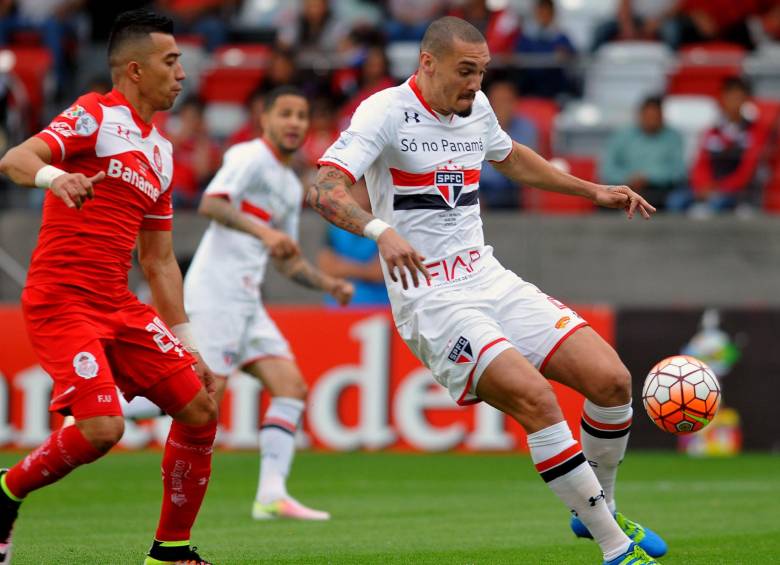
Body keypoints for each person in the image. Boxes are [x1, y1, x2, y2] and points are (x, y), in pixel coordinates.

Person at [312, 16, 665, 565]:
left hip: (488, 277)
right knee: (538, 402)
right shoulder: (384, 112)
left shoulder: (474, 108)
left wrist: (592, 190)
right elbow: (325, 188)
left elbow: (510, 156)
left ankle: (598, 508)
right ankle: (615, 549)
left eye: (481, 71)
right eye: (464, 71)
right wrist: (381, 232)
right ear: (427, 63)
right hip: (432, 298)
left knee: (612, 381)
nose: (475, 84)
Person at [0, 10, 218, 565]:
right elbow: (15, 158)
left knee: (199, 407)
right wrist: (58, 176)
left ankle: (170, 552)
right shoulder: (96, 114)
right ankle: (4, 490)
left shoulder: (162, 154)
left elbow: (160, 259)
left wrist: (188, 342)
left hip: (116, 303)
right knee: (101, 430)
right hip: (62, 298)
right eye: (171, 61)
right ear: (135, 69)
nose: (182, 74)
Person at [184, 85, 354, 521]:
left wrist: (327, 283)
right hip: (216, 292)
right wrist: (263, 233)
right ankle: (106, 403)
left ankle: (271, 496)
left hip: (247, 300)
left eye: (301, 115)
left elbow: (287, 257)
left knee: (291, 387)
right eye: (286, 114)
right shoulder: (247, 157)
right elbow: (211, 204)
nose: (295, 122)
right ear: (265, 119)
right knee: (201, 396)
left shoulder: (286, 182)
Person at [682, 77, 767, 214]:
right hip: (708, 189)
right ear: (722, 99)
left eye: (737, 97)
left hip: (739, 192)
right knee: (677, 201)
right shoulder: (712, 131)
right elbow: (700, 164)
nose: (733, 102)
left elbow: (748, 170)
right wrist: (702, 186)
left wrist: (720, 188)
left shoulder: (756, 132)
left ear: (746, 100)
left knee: (713, 206)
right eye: (729, 97)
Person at [600, 96, 686, 211]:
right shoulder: (622, 136)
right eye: (648, 116)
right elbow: (607, 169)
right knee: (602, 200)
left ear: (662, 116)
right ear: (640, 115)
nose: (651, 121)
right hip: (624, 188)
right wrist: (628, 178)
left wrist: (649, 178)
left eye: (655, 117)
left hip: (660, 191)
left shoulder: (673, 137)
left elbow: (678, 172)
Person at [317, 181, 389, 307]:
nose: (358, 195)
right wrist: (365, 270)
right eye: (353, 191)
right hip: (337, 307)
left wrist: (342, 267)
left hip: (377, 308)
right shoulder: (335, 227)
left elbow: (380, 272)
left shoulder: (385, 227)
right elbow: (326, 268)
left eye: (362, 191)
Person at [479, 80, 538, 208]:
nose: (501, 106)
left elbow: (524, 165)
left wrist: (501, 127)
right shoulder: (475, 127)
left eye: (506, 101)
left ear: (515, 103)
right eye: (496, 101)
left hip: (514, 193)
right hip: (481, 192)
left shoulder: (526, 127)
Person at [515, 0, 576, 100]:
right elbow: (518, 57)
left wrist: (566, 54)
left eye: (547, 13)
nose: (544, 16)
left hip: (555, 88)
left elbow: (573, 55)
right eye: (541, 12)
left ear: (553, 14)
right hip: (529, 87)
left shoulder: (561, 37)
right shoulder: (526, 37)